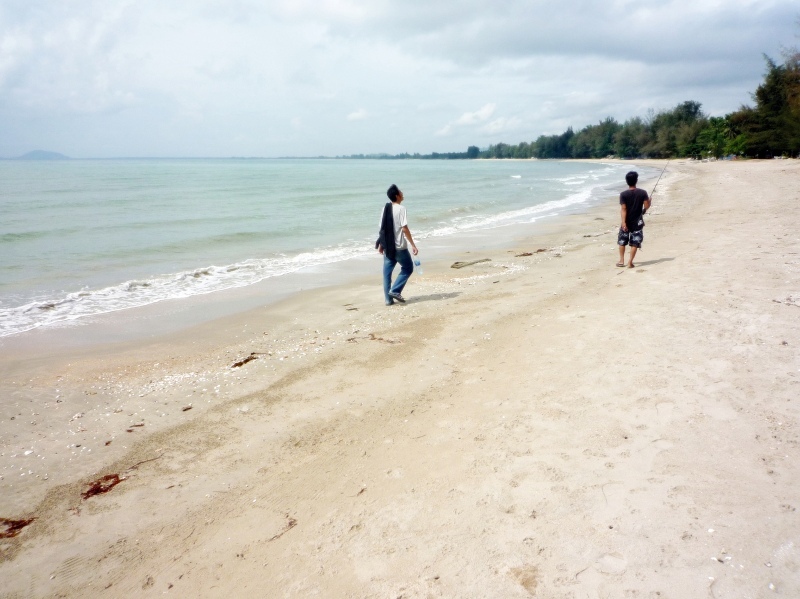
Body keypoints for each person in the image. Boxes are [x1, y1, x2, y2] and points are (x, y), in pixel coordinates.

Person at [376, 184, 418, 305]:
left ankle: (388, 300)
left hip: (388, 247)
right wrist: (413, 245)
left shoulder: (385, 208)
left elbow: (382, 228)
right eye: (400, 192)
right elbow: (404, 228)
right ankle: (395, 290)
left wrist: (381, 244)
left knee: (387, 274)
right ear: (397, 195)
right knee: (408, 268)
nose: (402, 193)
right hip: (399, 247)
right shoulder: (401, 209)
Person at [617, 171, 651, 268]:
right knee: (635, 242)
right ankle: (630, 262)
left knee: (622, 241)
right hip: (637, 222)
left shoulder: (623, 194)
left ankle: (621, 260)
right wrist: (649, 203)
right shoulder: (643, 193)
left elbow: (623, 209)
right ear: (636, 180)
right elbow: (646, 207)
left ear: (627, 181)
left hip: (626, 222)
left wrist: (623, 222)